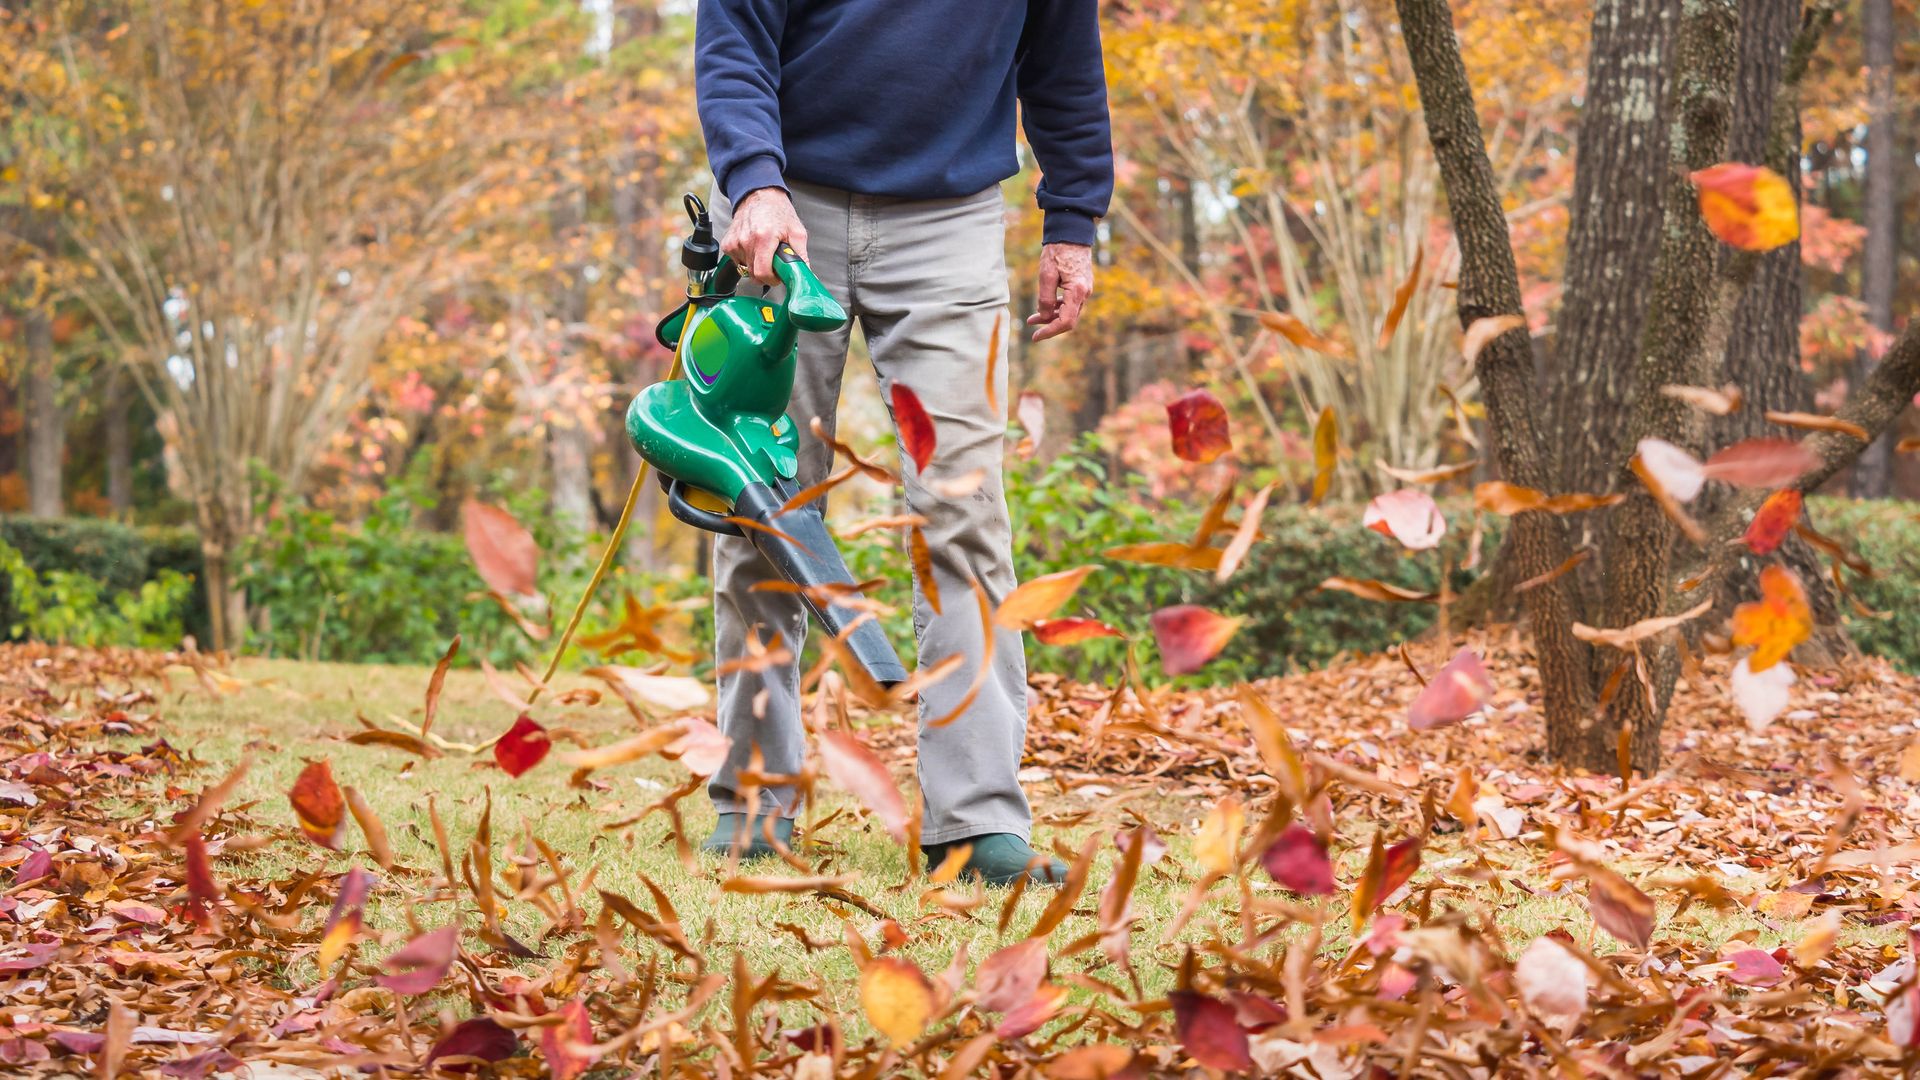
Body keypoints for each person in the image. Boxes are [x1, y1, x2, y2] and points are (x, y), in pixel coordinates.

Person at [692, 0, 1113, 886]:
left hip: (950, 219)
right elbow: (734, 39)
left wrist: (1074, 220)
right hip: (785, 212)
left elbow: (1064, 64)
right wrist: (754, 180)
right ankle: (756, 804)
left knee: (964, 509)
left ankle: (976, 822)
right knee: (762, 502)